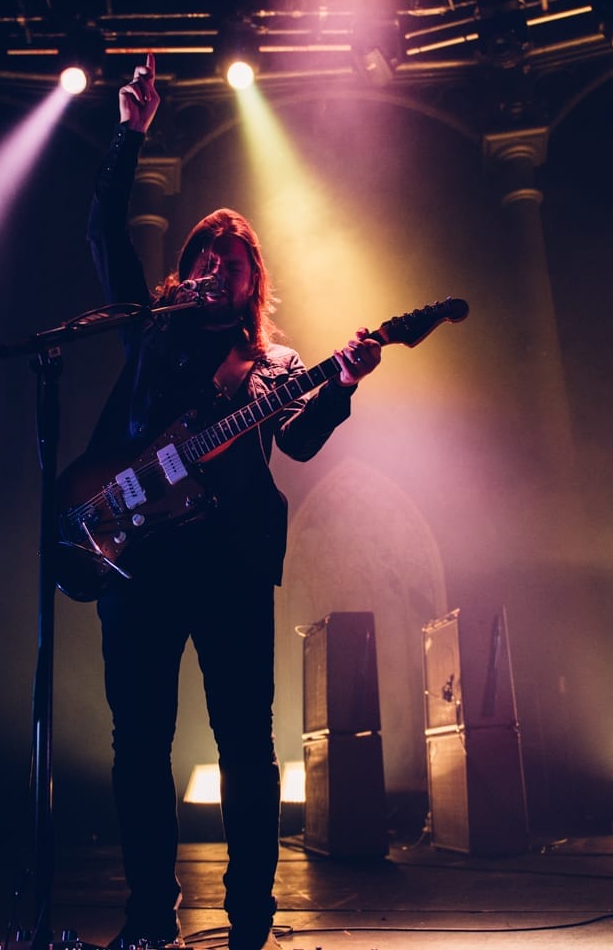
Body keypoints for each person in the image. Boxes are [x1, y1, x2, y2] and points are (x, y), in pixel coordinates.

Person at [83, 53, 381, 950]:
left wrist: (341, 384)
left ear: (254, 278)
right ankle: (148, 915)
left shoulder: (276, 369)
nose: (215, 266)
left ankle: (251, 918)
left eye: (233, 258)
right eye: (202, 255)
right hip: (135, 558)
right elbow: (104, 236)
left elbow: (294, 442)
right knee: (137, 744)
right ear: (187, 271)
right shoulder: (154, 335)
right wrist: (128, 135)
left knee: (246, 747)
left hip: (230, 569)